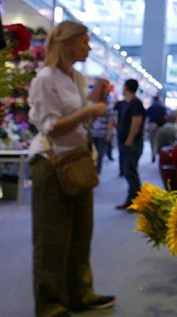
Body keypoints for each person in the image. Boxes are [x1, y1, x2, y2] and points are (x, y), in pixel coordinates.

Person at [27, 20, 116, 317]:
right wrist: (89, 110)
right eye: (85, 41)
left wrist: (93, 103)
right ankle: (50, 304)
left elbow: (78, 121)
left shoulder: (76, 78)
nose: (89, 47)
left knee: (81, 233)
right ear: (68, 44)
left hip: (77, 162)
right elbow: (49, 127)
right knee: (52, 237)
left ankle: (80, 293)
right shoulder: (45, 79)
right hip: (52, 164)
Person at [116, 79, 146, 210]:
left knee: (131, 172)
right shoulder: (127, 103)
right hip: (126, 143)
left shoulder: (136, 103)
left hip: (131, 144)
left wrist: (129, 140)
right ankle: (133, 200)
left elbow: (136, 123)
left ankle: (136, 201)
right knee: (129, 171)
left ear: (126, 87)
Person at [89, 79, 115, 174]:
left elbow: (110, 121)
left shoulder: (108, 105)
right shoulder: (93, 103)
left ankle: (96, 172)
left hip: (102, 134)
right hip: (92, 133)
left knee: (99, 154)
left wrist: (109, 134)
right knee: (91, 154)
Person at [145, 95, 168, 163]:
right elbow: (165, 117)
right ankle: (158, 154)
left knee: (152, 141)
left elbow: (146, 117)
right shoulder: (162, 107)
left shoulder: (151, 107)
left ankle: (153, 154)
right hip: (160, 126)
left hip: (151, 125)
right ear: (159, 100)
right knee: (158, 141)